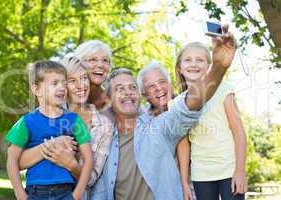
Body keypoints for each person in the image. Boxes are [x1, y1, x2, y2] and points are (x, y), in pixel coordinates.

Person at [89, 26, 236, 200]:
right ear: (109, 99)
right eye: (119, 89)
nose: (127, 92)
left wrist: (218, 67)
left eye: (132, 87)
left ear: (138, 95)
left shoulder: (157, 126)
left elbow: (190, 104)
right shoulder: (101, 138)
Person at [18, 57, 113, 195]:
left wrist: (70, 163)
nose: (81, 85)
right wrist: (53, 145)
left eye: (84, 78)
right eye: (72, 81)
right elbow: (17, 162)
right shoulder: (45, 114)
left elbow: (91, 179)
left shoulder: (104, 125)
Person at [5, 60, 93, 200]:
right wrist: (20, 194)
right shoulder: (26, 122)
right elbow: (12, 160)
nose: (62, 88)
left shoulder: (75, 120)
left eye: (63, 83)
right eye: (54, 83)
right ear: (36, 90)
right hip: (36, 192)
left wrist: (76, 195)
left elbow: (88, 159)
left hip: (66, 191)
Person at [175, 42, 247, 200]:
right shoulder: (176, 104)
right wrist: (184, 182)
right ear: (179, 67)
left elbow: (239, 132)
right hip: (201, 174)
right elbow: (183, 144)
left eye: (200, 60)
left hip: (229, 169)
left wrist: (240, 170)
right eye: (188, 60)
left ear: (209, 66)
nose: (193, 64)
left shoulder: (224, 89)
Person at [137, 60, 196, 200]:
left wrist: (184, 183)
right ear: (144, 94)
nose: (158, 88)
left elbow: (182, 139)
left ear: (170, 84)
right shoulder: (143, 120)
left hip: (190, 187)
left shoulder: (183, 106)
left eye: (162, 81)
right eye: (151, 86)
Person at [73, 40, 112, 112]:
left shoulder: (115, 103)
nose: (100, 65)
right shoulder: (64, 98)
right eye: (93, 59)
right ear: (78, 64)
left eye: (105, 60)